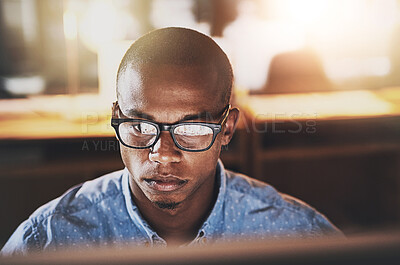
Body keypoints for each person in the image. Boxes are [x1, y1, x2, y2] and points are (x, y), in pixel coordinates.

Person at [1, 27, 341, 255]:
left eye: (191, 128)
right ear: (116, 119)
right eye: (140, 125)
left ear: (227, 129)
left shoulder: (295, 237)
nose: (163, 155)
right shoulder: (51, 239)